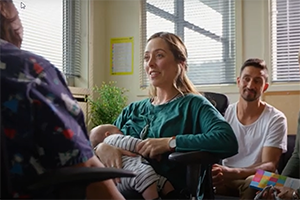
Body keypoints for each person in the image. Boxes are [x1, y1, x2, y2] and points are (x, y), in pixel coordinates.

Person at [0, 0, 125, 199]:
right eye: (16, 5)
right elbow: (87, 169)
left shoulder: (191, 105)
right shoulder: (29, 72)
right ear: (3, 8)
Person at [94, 31, 239, 199]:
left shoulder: (194, 104)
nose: (151, 64)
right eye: (146, 58)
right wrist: (101, 148)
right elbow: (98, 142)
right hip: (118, 189)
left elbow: (227, 140)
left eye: (159, 55)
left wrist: (171, 142)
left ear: (181, 63)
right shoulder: (133, 109)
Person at [212, 58, 288, 200]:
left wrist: (234, 172)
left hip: (263, 179)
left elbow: (270, 165)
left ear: (265, 87)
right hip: (228, 176)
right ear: (239, 81)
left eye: (257, 81)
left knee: (252, 181)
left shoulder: (276, 118)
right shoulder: (224, 113)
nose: (250, 85)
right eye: (246, 79)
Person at [90, 124, 176, 200]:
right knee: (149, 178)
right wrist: (148, 147)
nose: (123, 133)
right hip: (135, 173)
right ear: (108, 134)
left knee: (157, 180)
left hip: (119, 183)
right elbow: (131, 143)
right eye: (120, 131)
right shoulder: (112, 138)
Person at [259, 50, 300, 200]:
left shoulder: (275, 118)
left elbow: (269, 164)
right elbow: (298, 154)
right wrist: (281, 185)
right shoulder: (229, 112)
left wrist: (296, 193)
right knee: (263, 183)